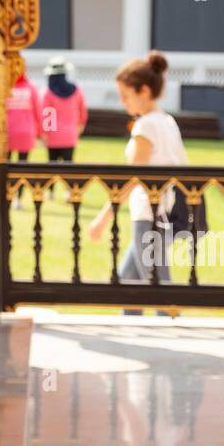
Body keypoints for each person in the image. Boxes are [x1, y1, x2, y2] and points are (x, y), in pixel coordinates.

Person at [88, 50, 186, 290]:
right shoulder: (167, 121)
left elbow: (132, 178)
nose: (123, 102)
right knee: (128, 281)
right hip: (166, 212)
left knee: (158, 288)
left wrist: (102, 219)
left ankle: (171, 327)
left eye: (125, 95)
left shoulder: (145, 126)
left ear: (144, 90)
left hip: (149, 214)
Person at [41, 57, 87, 162]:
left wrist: (44, 133)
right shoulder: (77, 91)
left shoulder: (47, 93)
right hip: (70, 135)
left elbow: (46, 116)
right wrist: (80, 126)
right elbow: (83, 112)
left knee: (51, 170)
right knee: (68, 169)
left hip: (52, 136)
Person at [6, 60, 42, 163]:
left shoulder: (4, 88)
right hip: (26, 132)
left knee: (6, 165)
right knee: (23, 165)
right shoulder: (31, 88)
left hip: (8, 132)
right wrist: (39, 132)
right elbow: (37, 112)